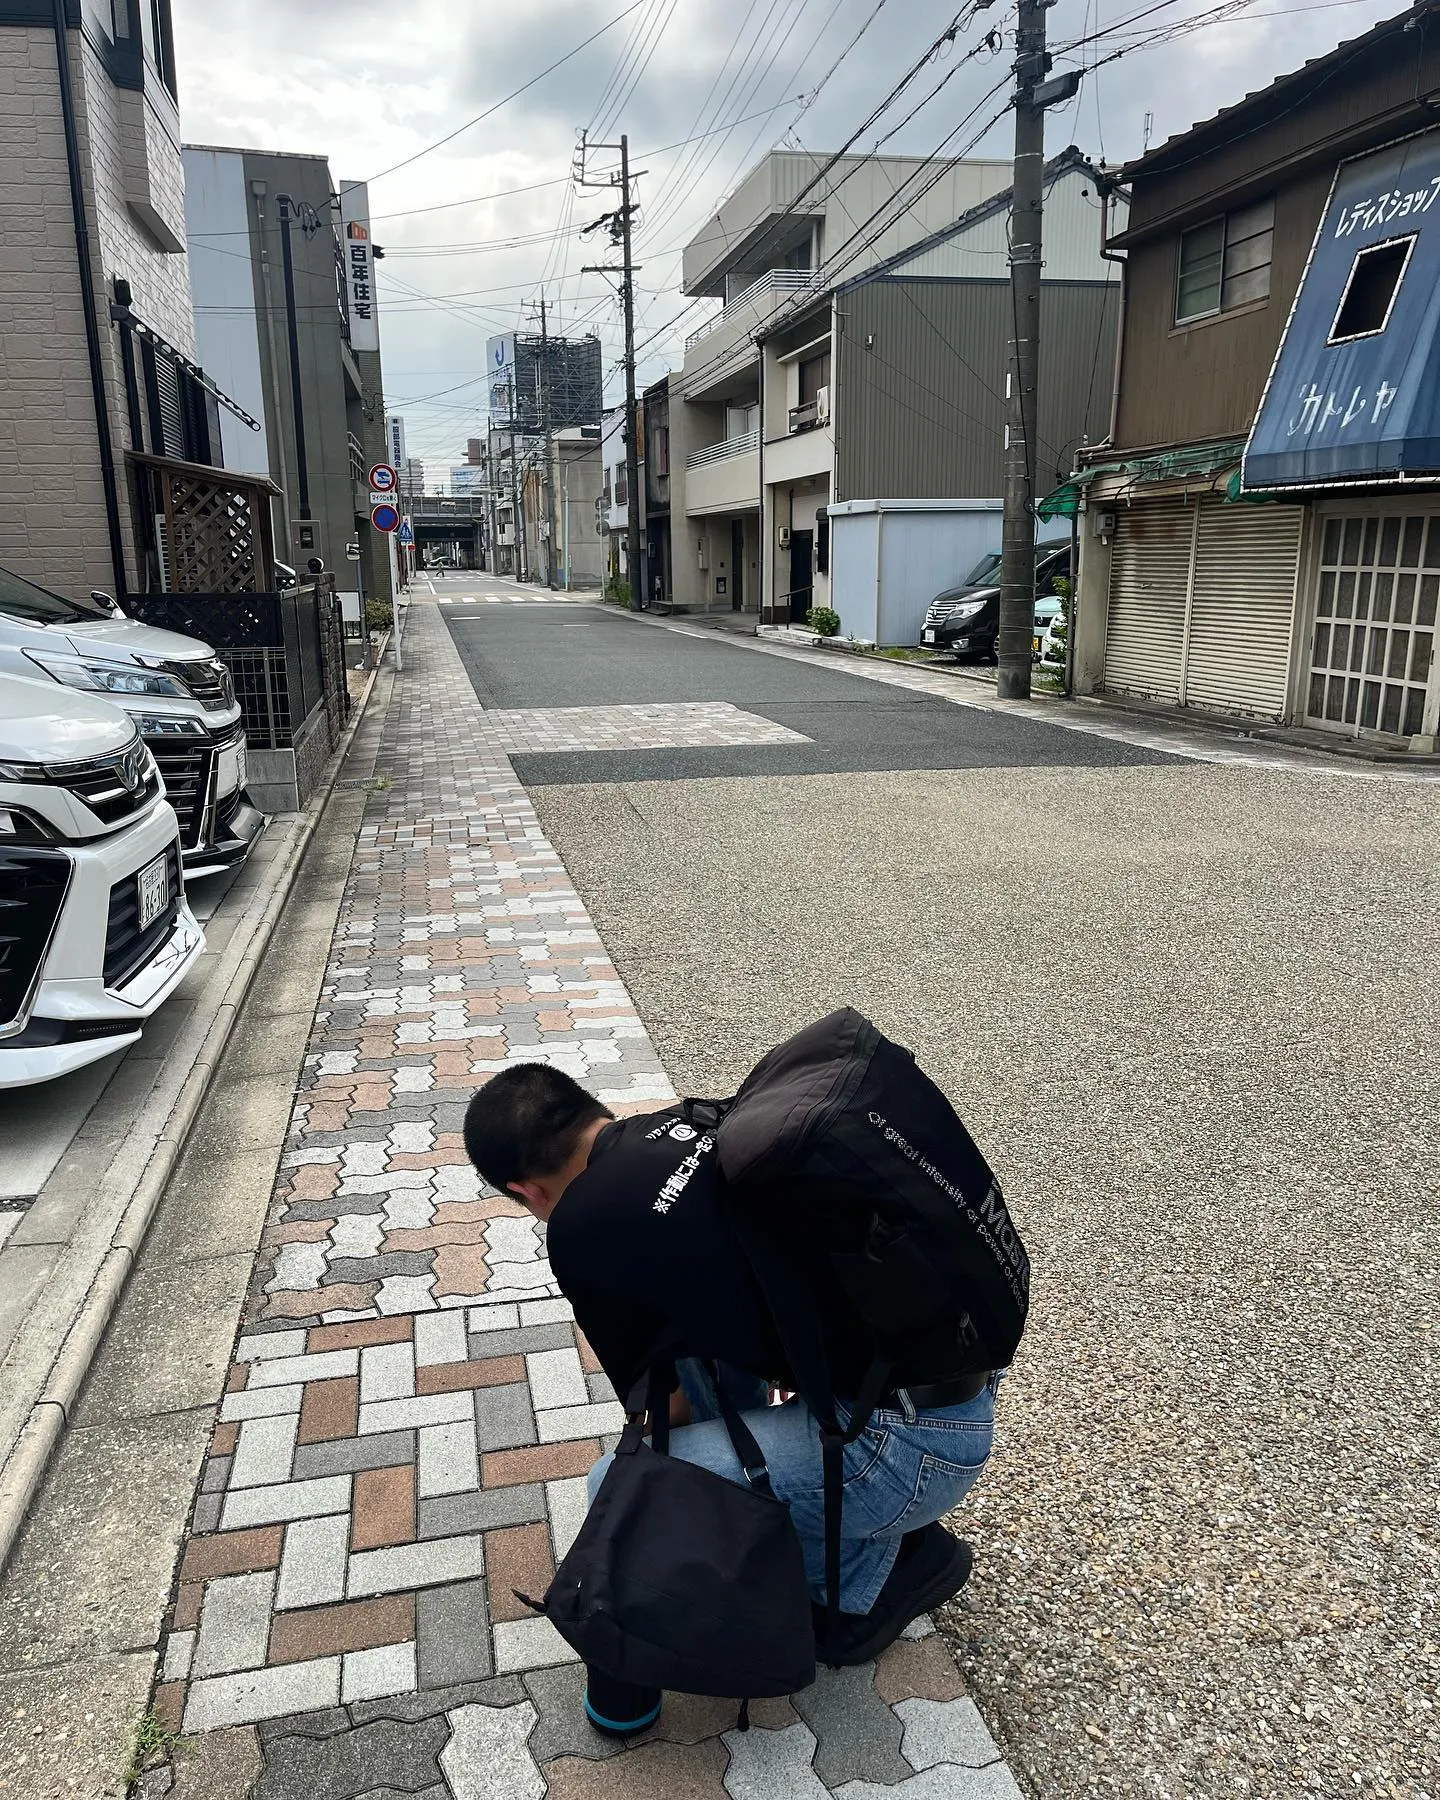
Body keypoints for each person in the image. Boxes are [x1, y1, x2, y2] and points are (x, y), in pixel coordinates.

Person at [463, 1062, 999, 1725]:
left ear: (524, 1190)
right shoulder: (688, 1123)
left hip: (904, 1451)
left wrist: (639, 1571)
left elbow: (661, 1423)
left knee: (616, 1485)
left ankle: (881, 1565)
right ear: (591, 1111)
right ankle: (857, 1534)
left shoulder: (582, 1228)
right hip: (951, 1391)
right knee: (695, 1370)